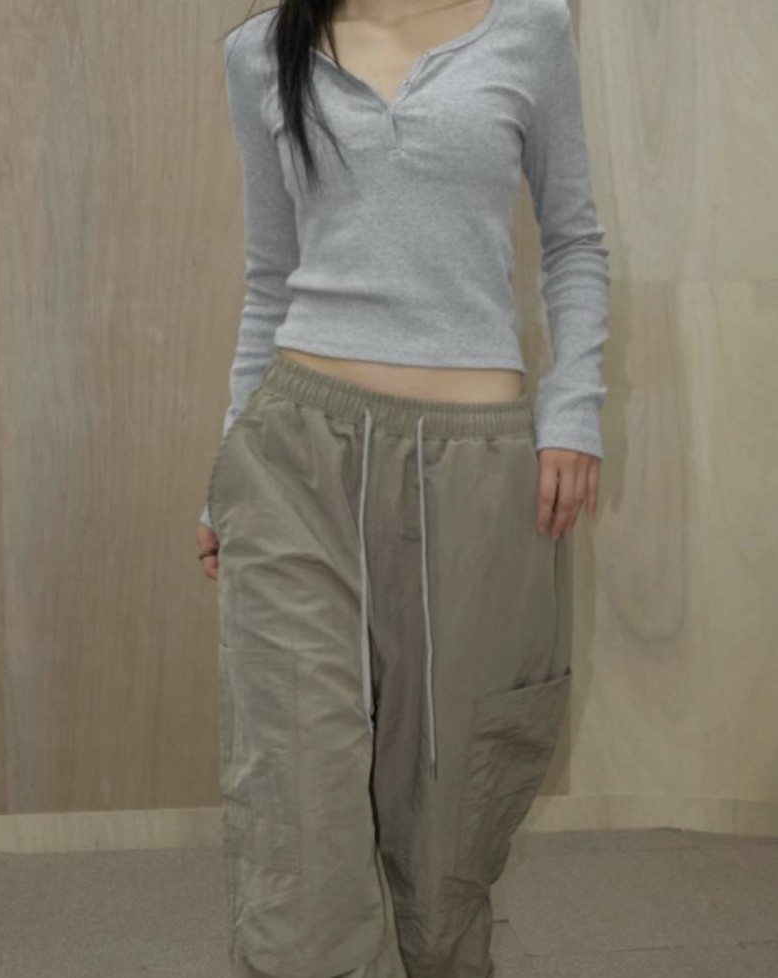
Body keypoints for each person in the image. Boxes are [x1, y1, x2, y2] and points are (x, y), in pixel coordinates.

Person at [196, 1, 609, 975]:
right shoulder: (261, 52)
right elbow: (270, 278)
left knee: (448, 819)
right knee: (298, 808)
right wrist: (226, 471)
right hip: (293, 462)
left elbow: (574, 243)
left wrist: (573, 412)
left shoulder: (529, 29)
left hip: (477, 472)